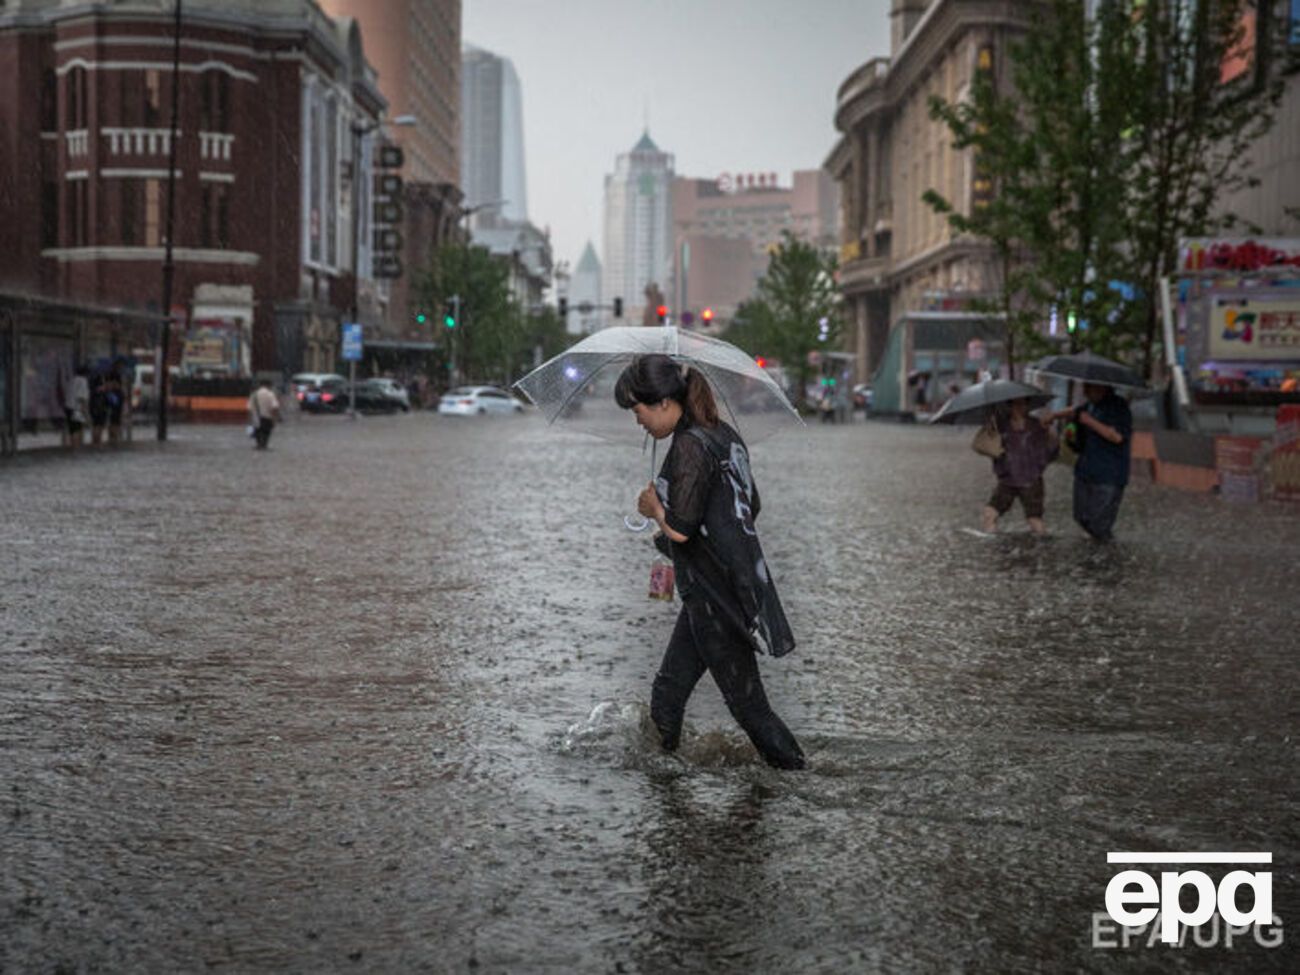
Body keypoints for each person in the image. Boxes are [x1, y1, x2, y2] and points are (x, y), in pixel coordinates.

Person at [615, 354, 805, 770]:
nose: (638, 421)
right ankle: (662, 777)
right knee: (668, 691)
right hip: (717, 587)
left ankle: (798, 776)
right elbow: (751, 503)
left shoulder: (689, 444)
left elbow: (681, 529)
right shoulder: (723, 434)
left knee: (749, 707)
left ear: (664, 402)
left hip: (717, 597)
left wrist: (655, 509)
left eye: (638, 409)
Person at [1053, 382, 1132, 541]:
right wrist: (1052, 416)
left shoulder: (1119, 407)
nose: (1085, 392)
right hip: (1086, 470)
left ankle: (1106, 550)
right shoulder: (1089, 405)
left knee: (1099, 524)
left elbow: (1117, 437)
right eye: (1085, 387)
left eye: (1089, 388)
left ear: (1101, 387)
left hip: (1109, 474)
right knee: (1081, 516)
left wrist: (1090, 422)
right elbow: (1074, 411)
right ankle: (1096, 546)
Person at [981, 398, 1058, 535]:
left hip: (1031, 479)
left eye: (1022, 404)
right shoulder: (1001, 425)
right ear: (1009, 406)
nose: (1019, 408)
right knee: (990, 513)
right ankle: (990, 538)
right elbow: (989, 448)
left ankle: (1043, 540)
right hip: (1008, 478)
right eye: (1015, 404)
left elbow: (1050, 451)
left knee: (1034, 518)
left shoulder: (1037, 425)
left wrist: (1051, 435)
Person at [248, 378, 281, 449]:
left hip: (256, 417)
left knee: (257, 431)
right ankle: (264, 444)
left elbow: (250, 408)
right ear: (268, 385)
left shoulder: (254, 394)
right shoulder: (270, 394)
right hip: (267, 417)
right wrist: (275, 418)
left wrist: (250, 419)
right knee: (266, 432)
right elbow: (274, 407)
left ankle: (259, 444)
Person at [65, 365, 90, 450]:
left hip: (69, 407)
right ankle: (76, 447)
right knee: (77, 429)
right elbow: (82, 397)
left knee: (72, 429)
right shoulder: (83, 381)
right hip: (77, 408)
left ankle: (72, 447)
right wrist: (85, 412)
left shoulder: (72, 380)